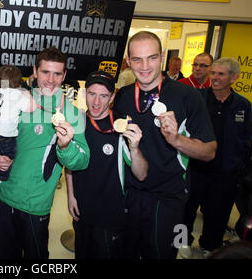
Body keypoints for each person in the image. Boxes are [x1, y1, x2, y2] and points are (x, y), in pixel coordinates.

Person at [113, 31, 217, 259]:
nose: (144, 66)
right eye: (137, 59)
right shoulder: (123, 97)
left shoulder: (187, 96)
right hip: (129, 195)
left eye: (151, 57)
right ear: (128, 62)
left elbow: (209, 152)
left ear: (161, 58)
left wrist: (176, 139)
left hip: (168, 199)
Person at [0, 46, 90, 259]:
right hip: (4, 197)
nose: (51, 80)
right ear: (34, 71)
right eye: (45, 72)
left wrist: (66, 146)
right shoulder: (15, 99)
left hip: (36, 206)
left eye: (57, 74)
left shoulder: (73, 114)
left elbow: (82, 160)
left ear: (64, 76)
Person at [65, 70, 148, 259]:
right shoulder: (77, 122)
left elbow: (141, 174)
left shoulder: (122, 127)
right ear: (85, 94)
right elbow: (69, 162)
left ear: (112, 97)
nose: (96, 102)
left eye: (103, 96)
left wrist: (134, 148)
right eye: (92, 94)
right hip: (82, 210)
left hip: (111, 214)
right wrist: (71, 195)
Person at [181, 58, 252, 258]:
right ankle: (182, 243)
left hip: (225, 173)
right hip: (195, 168)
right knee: (186, 210)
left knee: (218, 213)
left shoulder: (243, 106)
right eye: (214, 73)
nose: (215, 78)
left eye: (221, 74)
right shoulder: (198, 98)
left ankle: (209, 247)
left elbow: (246, 139)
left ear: (234, 78)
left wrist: (238, 166)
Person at [0, 65, 36, 198]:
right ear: (19, 83)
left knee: (0, 154)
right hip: (4, 138)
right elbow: (32, 107)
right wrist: (26, 92)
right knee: (10, 156)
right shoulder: (18, 94)